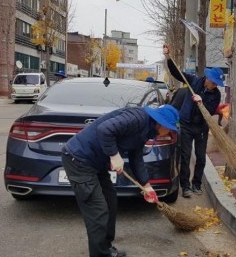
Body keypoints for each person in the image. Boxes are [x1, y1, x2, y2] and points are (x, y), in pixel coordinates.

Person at [61, 105, 179, 257]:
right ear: (161, 123)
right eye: (169, 128)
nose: (169, 132)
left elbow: (136, 157)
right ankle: (100, 254)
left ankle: (106, 248)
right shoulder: (137, 118)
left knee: (110, 202)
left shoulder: (147, 130)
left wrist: (146, 186)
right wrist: (114, 155)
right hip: (79, 160)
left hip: (96, 164)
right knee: (98, 211)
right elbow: (104, 130)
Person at [163, 44, 222, 198]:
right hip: (186, 124)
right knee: (186, 155)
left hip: (201, 127)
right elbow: (176, 73)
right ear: (207, 79)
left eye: (217, 84)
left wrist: (202, 101)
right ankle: (186, 186)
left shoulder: (216, 95)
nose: (215, 86)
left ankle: (196, 184)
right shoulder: (194, 82)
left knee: (201, 157)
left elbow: (210, 111)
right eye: (214, 82)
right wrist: (168, 57)